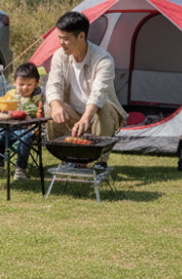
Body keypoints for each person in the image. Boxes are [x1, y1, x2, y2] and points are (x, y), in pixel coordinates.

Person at [44, 11, 127, 165]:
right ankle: (68, 157)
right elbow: (53, 83)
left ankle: (99, 161)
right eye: (59, 38)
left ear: (81, 36)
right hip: (73, 112)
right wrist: (55, 105)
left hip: (96, 113)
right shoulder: (59, 56)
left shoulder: (103, 59)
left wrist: (86, 118)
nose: (61, 43)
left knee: (103, 111)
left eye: (66, 39)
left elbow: (99, 93)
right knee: (52, 109)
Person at [0, 62, 42, 181]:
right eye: (21, 84)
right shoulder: (11, 95)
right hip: (8, 127)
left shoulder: (37, 97)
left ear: (36, 83)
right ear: (15, 83)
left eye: (29, 84)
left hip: (26, 129)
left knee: (26, 137)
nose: (25, 88)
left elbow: (38, 115)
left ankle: (20, 169)